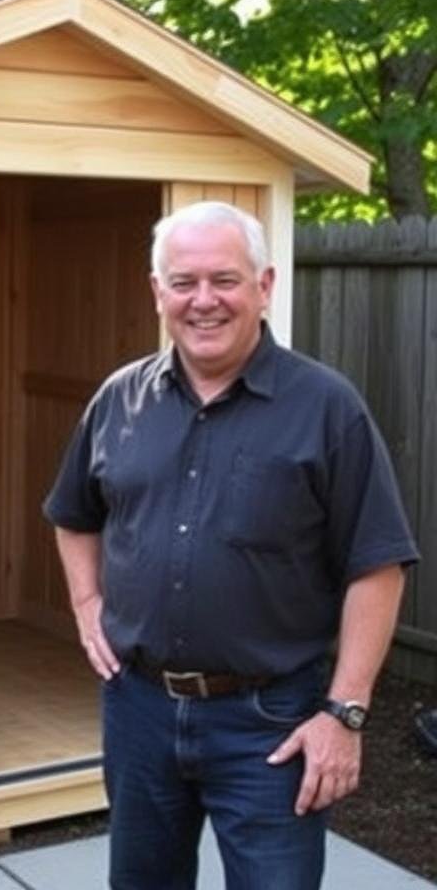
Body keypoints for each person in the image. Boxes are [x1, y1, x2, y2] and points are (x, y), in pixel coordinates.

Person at [43, 201, 419, 890]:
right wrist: (86, 599)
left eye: (225, 279)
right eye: (183, 282)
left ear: (264, 286)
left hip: (271, 723)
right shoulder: (117, 401)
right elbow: (74, 512)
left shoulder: (327, 407)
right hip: (139, 710)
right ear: (158, 292)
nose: (204, 300)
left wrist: (346, 713)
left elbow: (379, 562)